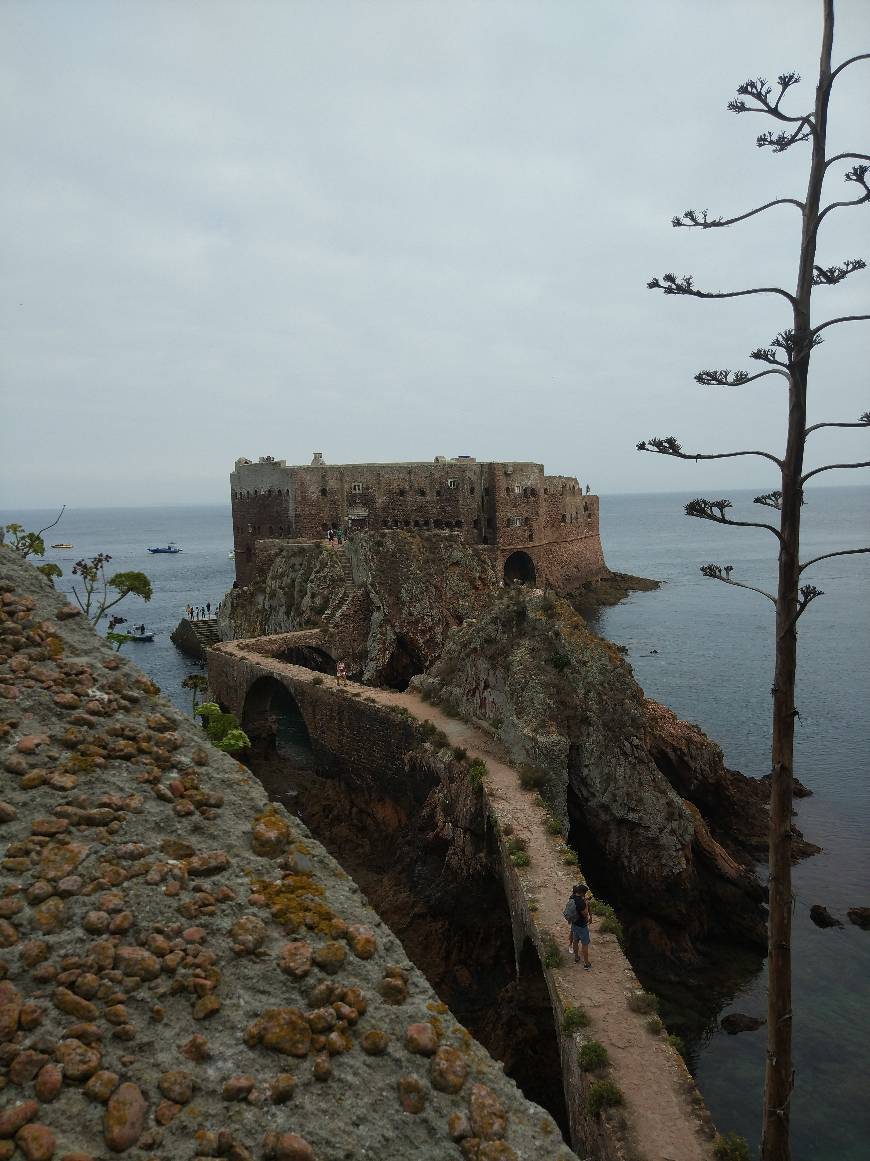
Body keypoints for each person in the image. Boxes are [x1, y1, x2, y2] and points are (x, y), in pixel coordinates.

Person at [564, 882, 592, 969]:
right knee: (585, 944)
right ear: (583, 892)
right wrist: (586, 904)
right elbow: (585, 914)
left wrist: (585, 900)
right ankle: (586, 964)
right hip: (582, 926)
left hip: (574, 924)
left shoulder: (573, 897)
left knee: (575, 941)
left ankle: (576, 957)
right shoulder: (580, 902)